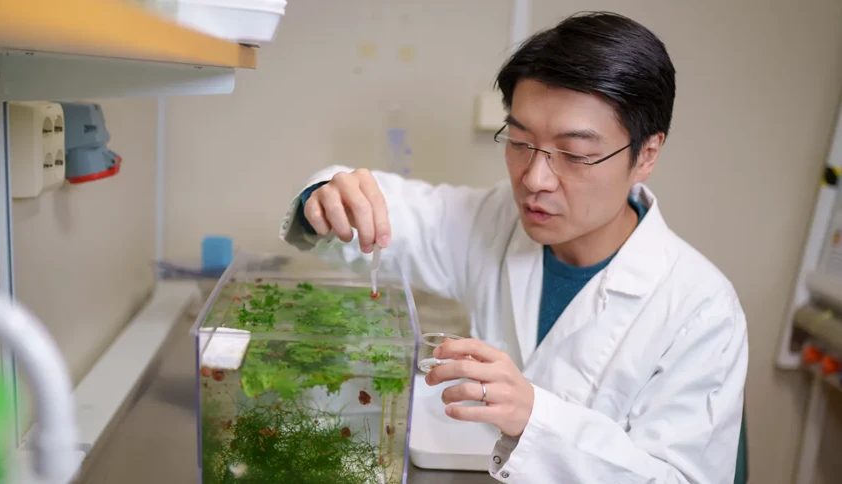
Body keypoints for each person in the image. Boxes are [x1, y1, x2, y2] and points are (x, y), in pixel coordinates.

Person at [279, 11, 748, 484]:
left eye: (574, 154)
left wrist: (534, 418)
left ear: (646, 153)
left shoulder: (702, 311)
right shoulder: (496, 219)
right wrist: (327, 196)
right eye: (521, 141)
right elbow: (378, 208)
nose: (534, 179)